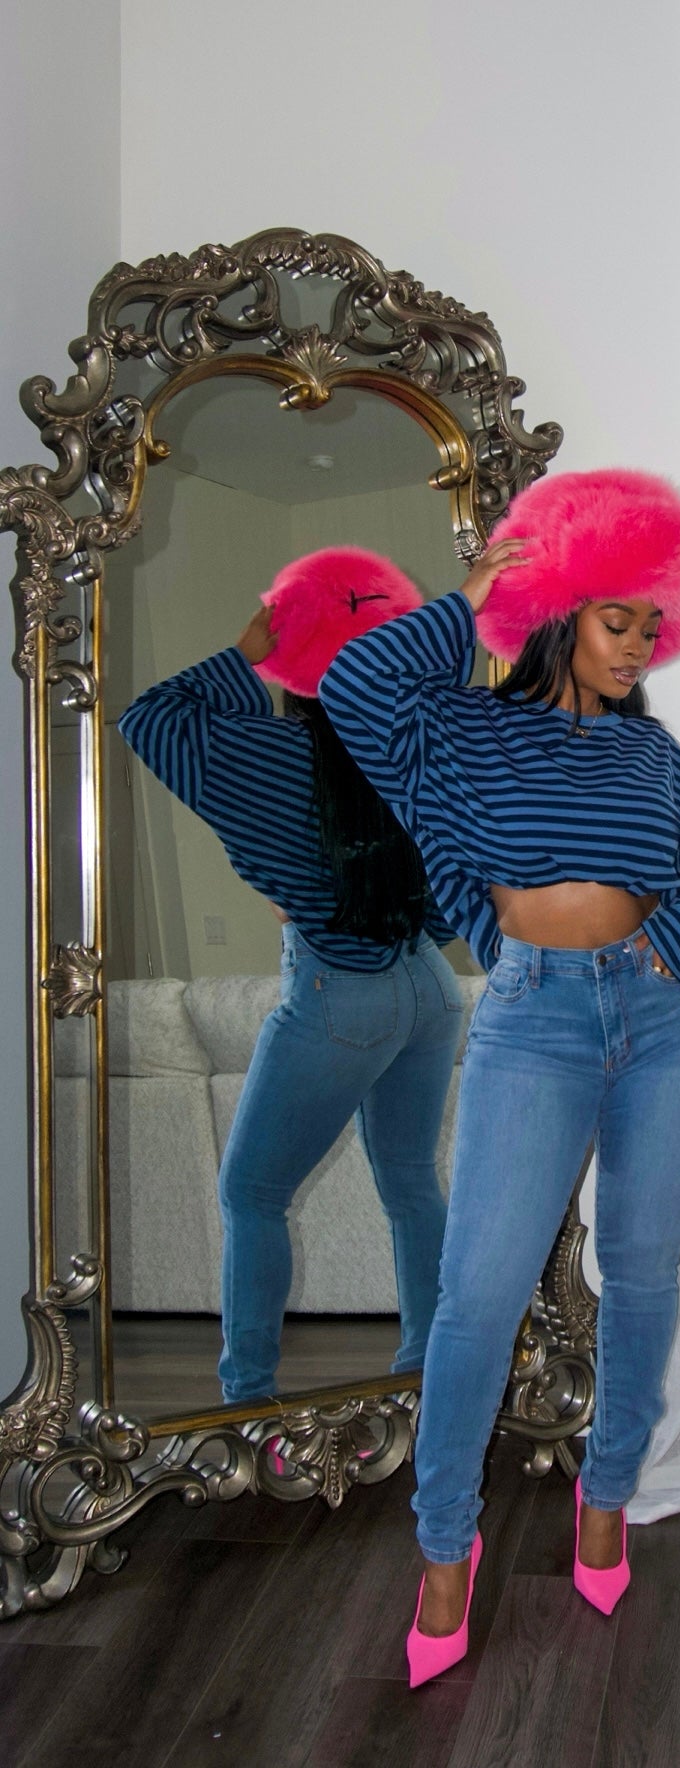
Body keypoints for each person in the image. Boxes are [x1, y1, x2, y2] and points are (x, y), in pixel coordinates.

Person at [321, 470, 680, 1685]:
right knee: (478, 1294)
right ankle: (444, 1547)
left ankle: (607, 1495)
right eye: (618, 620)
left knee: (644, 1272)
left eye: (652, 624)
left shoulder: (650, 750)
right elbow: (354, 686)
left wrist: (677, 937)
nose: (639, 645)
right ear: (559, 612)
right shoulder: (457, 733)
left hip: (669, 1026)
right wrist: (464, 603)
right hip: (535, 1023)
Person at [118, 548, 463, 1406]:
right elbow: (457, 894)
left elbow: (151, 717)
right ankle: (428, 1374)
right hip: (428, 987)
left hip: (339, 993)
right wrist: (357, 904)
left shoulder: (265, 756)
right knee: (411, 1183)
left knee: (252, 1192)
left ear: (291, 661)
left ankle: (247, 1398)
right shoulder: (417, 754)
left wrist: (244, 650)